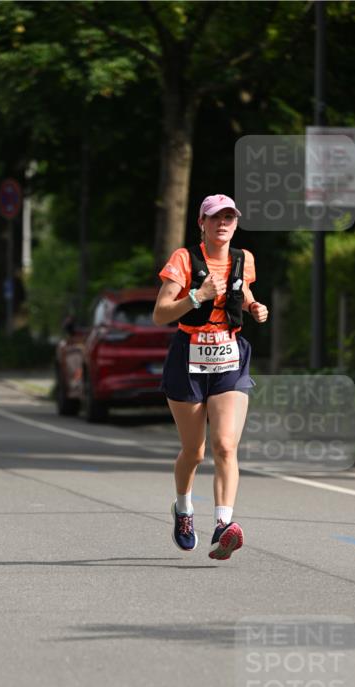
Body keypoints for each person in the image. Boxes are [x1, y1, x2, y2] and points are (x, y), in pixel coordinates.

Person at [153, 194, 268, 559]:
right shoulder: (184, 260)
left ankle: (223, 525)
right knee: (195, 450)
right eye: (216, 217)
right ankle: (184, 510)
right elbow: (160, 314)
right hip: (188, 357)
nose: (223, 223)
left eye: (230, 218)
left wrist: (253, 305)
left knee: (225, 445)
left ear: (235, 223)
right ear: (201, 223)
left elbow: (243, 288)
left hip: (229, 357)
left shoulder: (243, 259)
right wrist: (197, 296)